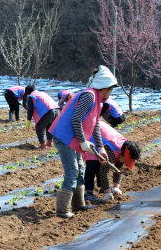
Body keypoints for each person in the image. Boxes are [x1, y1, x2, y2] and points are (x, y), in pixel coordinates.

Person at [48, 65, 118, 218]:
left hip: (73, 138)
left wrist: (101, 148)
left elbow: (95, 125)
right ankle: (62, 210)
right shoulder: (89, 96)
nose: (111, 92)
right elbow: (76, 118)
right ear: (103, 87)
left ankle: (79, 204)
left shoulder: (98, 102)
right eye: (110, 89)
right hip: (64, 136)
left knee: (80, 170)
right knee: (72, 171)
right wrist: (83, 141)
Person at [83, 121, 141, 202]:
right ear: (123, 154)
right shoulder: (111, 150)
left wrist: (116, 187)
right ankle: (88, 193)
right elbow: (103, 172)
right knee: (92, 165)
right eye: (124, 160)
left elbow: (118, 168)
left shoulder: (125, 148)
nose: (123, 162)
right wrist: (108, 193)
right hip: (91, 133)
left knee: (101, 164)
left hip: (102, 137)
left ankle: (103, 188)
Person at [24, 85, 60, 149]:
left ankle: (43, 145)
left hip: (48, 112)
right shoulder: (42, 93)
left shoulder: (31, 96)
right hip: (57, 110)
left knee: (39, 127)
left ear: (27, 93)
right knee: (50, 126)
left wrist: (29, 121)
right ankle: (49, 142)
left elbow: (30, 110)